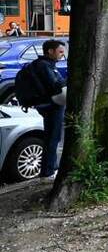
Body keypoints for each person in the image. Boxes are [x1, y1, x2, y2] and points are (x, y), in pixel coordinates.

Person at [24, 39, 66, 178]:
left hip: (48, 104)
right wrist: (65, 81)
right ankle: (48, 171)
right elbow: (54, 85)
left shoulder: (42, 64)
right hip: (51, 105)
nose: (62, 54)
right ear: (50, 51)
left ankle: (50, 168)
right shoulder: (44, 66)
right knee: (53, 138)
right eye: (60, 51)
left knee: (52, 137)